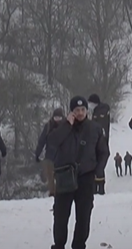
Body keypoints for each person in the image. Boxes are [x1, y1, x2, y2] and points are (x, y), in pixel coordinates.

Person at [49, 96, 109, 249]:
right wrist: (66, 125)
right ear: (71, 112)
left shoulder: (95, 128)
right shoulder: (62, 127)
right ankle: (59, 244)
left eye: (83, 110)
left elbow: (103, 152)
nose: (80, 113)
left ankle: (79, 245)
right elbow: (52, 142)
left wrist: (98, 171)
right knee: (61, 215)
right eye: (77, 110)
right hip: (65, 177)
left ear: (87, 110)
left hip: (86, 177)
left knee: (84, 216)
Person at [35, 108, 65, 197]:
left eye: (59, 118)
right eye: (56, 118)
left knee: (61, 175)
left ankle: (62, 191)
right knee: (50, 175)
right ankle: (52, 193)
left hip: (63, 155)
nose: (57, 120)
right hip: (50, 155)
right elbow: (42, 140)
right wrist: (37, 153)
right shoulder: (48, 126)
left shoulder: (66, 126)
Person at [88, 94, 111, 195]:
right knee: (97, 165)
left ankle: (99, 188)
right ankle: (96, 187)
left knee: (98, 166)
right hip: (99, 143)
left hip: (99, 143)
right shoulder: (98, 112)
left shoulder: (100, 113)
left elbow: (100, 128)